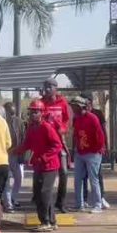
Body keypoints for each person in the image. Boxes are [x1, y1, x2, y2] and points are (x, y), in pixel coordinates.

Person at [15, 99, 63, 232]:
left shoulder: (46, 127)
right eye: (31, 112)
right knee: (38, 193)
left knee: (44, 193)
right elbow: (27, 144)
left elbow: (57, 145)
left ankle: (46, 221)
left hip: (50, 166)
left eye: (36, 112)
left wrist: (45, 157)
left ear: (41, 113)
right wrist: (15, 150)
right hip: (38, 165)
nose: (33, 114)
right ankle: (51, 222)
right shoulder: (32, 128)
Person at [40, 77, 72, 213]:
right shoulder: (41, 103)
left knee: (63, 172)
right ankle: (42, 200)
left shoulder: (62, 103)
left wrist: (63, 129)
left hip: (59, 142)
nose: (47, 89)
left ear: (55, 88)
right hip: (45, 143)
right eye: (45, 87)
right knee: (43, 174)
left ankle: (61, 202)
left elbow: (67, 120)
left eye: (49, 87)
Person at [71, 96, 106, 213]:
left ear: (81, 107)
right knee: (77, 179)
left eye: (74, 106)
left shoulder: (92, 118)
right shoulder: (76, 119)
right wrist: (74, 150)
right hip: (80, 152)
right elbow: (75, 135)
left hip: (92, 153)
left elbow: (100, 136)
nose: (72, 108)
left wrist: (96, 150)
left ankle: (98, 204)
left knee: (93, 179)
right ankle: (79, 204)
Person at [80, 93, 110, 209]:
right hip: (83, 149)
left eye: (85, 102)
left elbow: (103, 131)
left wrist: (105, 146)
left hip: (95, 149)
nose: (83, 105)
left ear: (90, 102)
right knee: (83, 176)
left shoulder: (98, 113)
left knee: (97, 175)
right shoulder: (79, 115)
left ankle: (101, 198)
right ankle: (84, 199)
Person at [1, 101, 24, 212]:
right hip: (4, 154)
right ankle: (8, 203)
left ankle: (13, 198)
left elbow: (23, 137)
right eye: (9, 110)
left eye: (13, 110)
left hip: (16, 154)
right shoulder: (1, 122)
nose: (11, 112)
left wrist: (22, 153)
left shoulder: (19, 122)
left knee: (19, 178)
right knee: (7, 180)